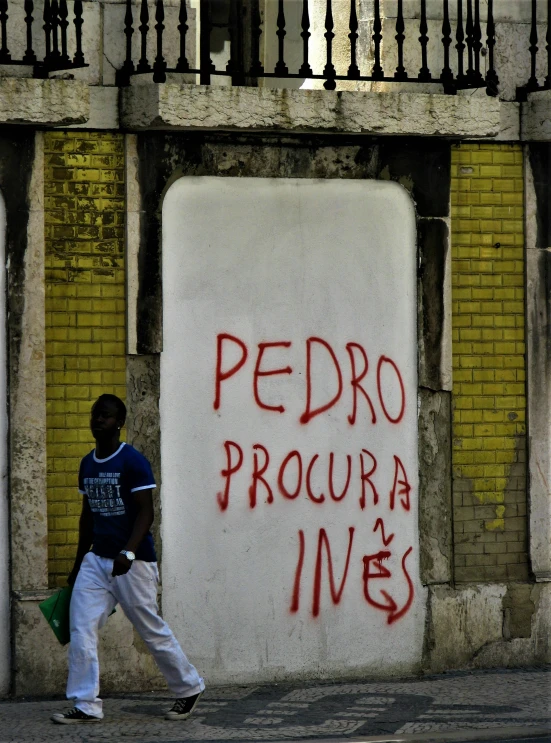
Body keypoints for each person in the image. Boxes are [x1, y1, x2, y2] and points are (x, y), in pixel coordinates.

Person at [51, 393, 205, 724]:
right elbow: (87, 518)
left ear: (119, 423)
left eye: (104, 416)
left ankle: (188, 687)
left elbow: (146, 512)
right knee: (81, 627)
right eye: (94, 414)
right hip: (97, 561)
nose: (97, 420)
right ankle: (86, 704)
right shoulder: (87, 463)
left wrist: (129, 551)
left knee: (149, 628)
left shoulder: (132, 461)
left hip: (133, 562)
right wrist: (79, 564)